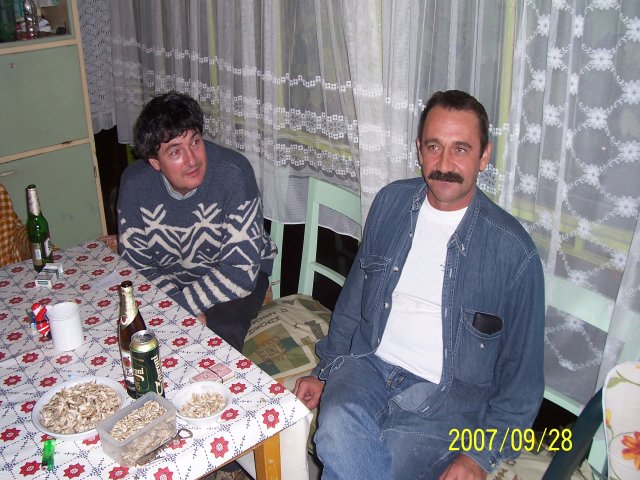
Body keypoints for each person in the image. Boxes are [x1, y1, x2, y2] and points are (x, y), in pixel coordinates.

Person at [294, 90, 545, 479]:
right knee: (338, 426)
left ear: (484, 156)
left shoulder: (513, 252)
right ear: (419, 149)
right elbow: (354, 301)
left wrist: (479, 456)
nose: (444, 164)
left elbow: (521, 382)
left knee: (373, 461)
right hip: (367, 366)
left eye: (460, 149)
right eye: (434, 147)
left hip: (448, 402)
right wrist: (325, 369)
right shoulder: (391, 203)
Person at [118, 91, 276, 352]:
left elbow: (240, 271)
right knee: (132, 329)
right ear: (155, 162)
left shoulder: (234, 174)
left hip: (237, 275)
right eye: (175, 152)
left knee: (218, 335)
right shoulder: (134, 185)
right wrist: (178, 308)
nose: (192, 160)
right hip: (172, 277)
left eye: (195, 142)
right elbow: (138, 266)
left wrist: (180, 310)